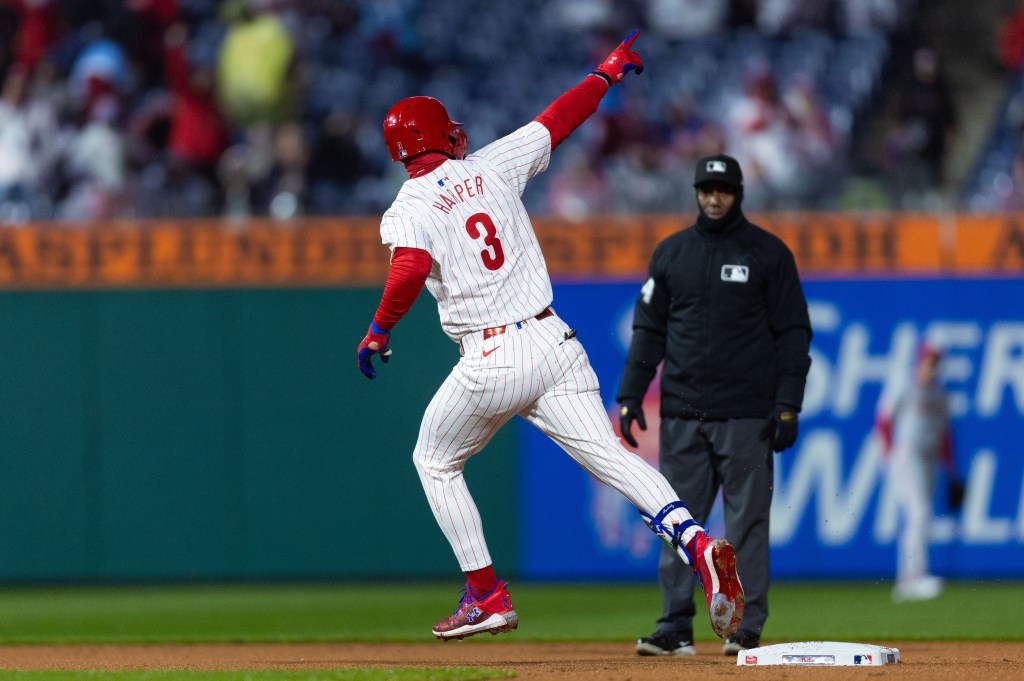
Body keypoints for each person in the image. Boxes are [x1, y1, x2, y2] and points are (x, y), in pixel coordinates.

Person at [356, 31, 746, 643]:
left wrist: (379, 330)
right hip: (553, 342)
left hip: (491, 354)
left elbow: (407, 267)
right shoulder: (491, 164)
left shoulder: (408, 205)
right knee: (614, 458)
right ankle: (698, 544)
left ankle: (485, 595)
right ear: (439, 136)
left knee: (434, 460)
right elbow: (559, 118)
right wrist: (607, 74)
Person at [617, 154, 811, 656]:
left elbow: (793, 335)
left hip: (746, 414)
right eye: (705, 189)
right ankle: (675, 625)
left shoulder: (768, 254)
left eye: (722, 190)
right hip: (682, 412)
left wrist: (788, 403)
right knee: (678, 523)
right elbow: (649, 332)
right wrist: (631, 393)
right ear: (696, 192)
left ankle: (745, 627)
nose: (713, 198)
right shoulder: (673, 253)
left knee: (746, 524)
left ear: (738, 192)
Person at [875, 343, 957, 603]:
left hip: (929, 457)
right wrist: (889, 456)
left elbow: (945, 435)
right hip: (907, 455)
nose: (932, 366)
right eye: (928, 361)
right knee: (919, 512)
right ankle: (913, 577)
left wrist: (952, 471)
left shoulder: (940, 394)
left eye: (935, 362)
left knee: (920, 515)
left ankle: (908, 577)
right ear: (920, 361)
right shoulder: (905, 385)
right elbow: (884, 421)